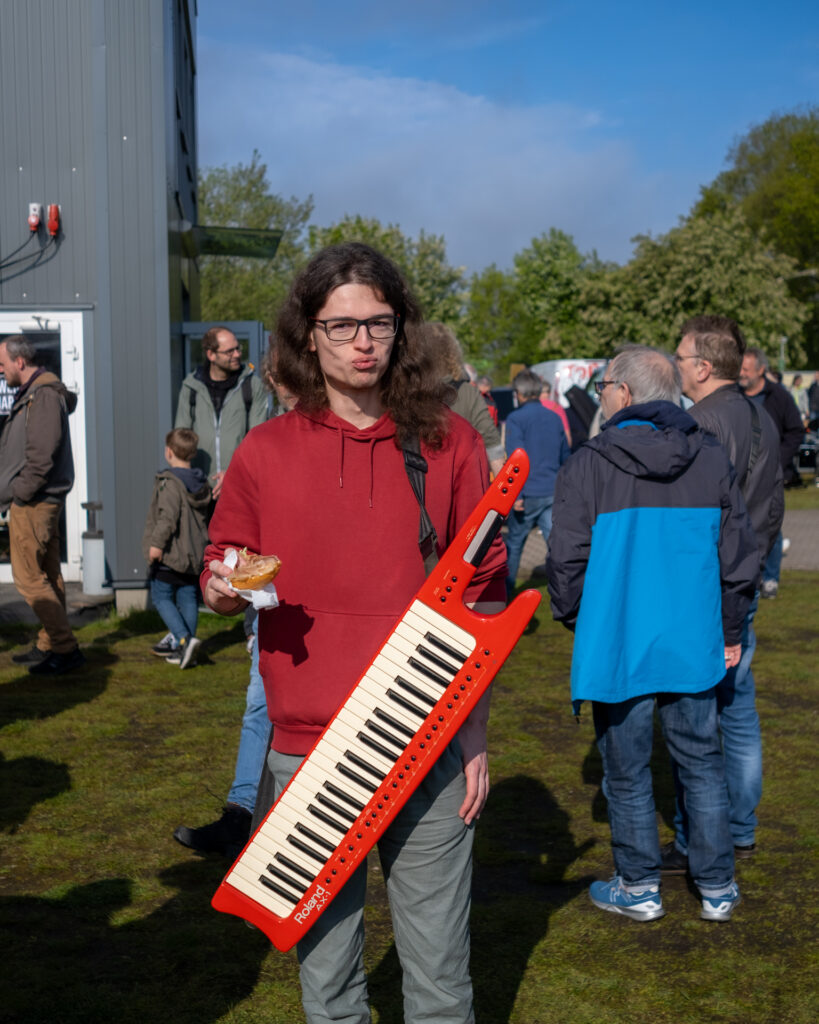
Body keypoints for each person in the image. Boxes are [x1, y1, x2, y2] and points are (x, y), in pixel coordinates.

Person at [199, 242, 506, 1023]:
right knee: (328, 984)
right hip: (305, 749)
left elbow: (483, 594)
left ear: (400, 330)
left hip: (425, 736)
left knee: (439, 983)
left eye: (379, 322)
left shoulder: (449, 444)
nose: (362, 341)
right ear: (309, 334)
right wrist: (223, 585)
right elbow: (223, 570)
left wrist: (471, 728)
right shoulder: (264, 452)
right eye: (341, 326)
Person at [546, 346, 758, 923]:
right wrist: (730, 625)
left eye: (605, 385)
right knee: (701, 762)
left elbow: (565, 560)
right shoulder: (709, 456)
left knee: (628, 770)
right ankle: (717, 886)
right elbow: (739, 556)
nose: (602, 394)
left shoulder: (589, 462)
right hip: (690, 638)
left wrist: (577, 619)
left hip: (622, 640)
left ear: (625, 392)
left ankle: (640, 885)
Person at [174, 340, 295, 857]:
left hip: (335, 620)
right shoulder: (267, 442)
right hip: (271, 605)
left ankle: (285, 828)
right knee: (258, 706)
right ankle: (242, 816)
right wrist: (224, 581)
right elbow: (229, 547)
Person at [670, 316, 783, 867]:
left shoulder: (699, 425)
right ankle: (739, 826)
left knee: (698, 717)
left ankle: (700, 836)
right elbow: (773, 505)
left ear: (704, 366)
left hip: (709, 586)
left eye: (681, 356)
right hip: (746, 577)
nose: (676, 366)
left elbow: (692, 514)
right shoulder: (761, 414)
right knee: (738, 709)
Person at [0, 335, 84, 675]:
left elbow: (41, 456)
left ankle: (65, 648)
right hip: (37, 500)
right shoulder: (37, 394)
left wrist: (20, 492)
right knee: (48, 575)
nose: (0, 370)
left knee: (30, 580)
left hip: (34, 502)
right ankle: (50, 644)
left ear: (20, 362)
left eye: (2, 363)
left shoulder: (44, 396)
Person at [141, 428, 210, 669]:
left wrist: (156, 545)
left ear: (168, 452)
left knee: (161, 597)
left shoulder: (170, 483)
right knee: (188, 598)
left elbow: (167, 518)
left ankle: (183, 639)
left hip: (171, 554)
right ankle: (187, 650)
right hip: (194, 554)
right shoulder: (202, 483)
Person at [174, 326, 268, 499]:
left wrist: (232, 475)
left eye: (238, 348)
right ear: (211, 355)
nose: (237, 355)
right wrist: (189, 480)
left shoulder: (251, 386)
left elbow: (258, 441)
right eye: (229, 351)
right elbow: (180, 440)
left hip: (240, 488)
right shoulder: (191, 387)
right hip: (198, 490)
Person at [739, 347, 804, 597]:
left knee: (771, 525)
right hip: (741, 472)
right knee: (741, 524)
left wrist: (779, 460)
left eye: (746, 369)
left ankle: (770, 578)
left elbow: (796, 431)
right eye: (740, 369)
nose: (741, 374)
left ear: (761, 370)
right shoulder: (734, 395)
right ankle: (747, 575)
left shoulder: (779, 396)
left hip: (771, 473)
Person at [504, 369, 569, 599]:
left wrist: (517, 494)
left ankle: (506, 594)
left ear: (519, 394)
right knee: (556, 546)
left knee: (514, 545)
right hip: (551, 490)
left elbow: (516, 457)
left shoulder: (515, 419)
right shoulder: (553, 417)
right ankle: (565, 591)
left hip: (528, 493)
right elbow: (565, 455)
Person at [422, 321, 506, 476]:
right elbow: (491, 441)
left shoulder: (405, 391)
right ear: (451, 353)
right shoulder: (468, 393)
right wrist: (505, 494)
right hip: (462, 482)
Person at [539, 378, 572, 444]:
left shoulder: (533, 407)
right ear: (549, 393)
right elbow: (566, 433)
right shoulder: (558, 408)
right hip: (555, 444)